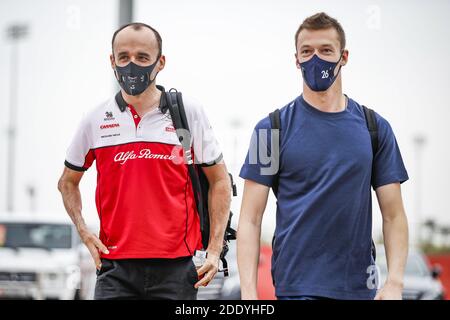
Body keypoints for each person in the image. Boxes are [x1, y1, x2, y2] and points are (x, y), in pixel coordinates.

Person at [237, 12, 409, 300]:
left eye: (326, 50)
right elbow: (250, 219)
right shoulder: (270, 129)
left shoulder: (374, 128)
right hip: (296, 287)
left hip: (358, 288)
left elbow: (393, 215)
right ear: (296, 59)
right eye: (307, 51)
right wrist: (248, 293)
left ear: (344, 57)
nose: (316, 59)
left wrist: (395, 282)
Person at [57, 22, 231, 300]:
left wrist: (214, 247)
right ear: (112, 61)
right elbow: (67, 182)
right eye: (123, 57)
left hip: (176, 270)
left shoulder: (187, 112)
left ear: (160, 62)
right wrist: (83, 231)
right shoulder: (95, 118)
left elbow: (220, 181)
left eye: (142, 57)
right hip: (115, 268)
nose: (131, 66)